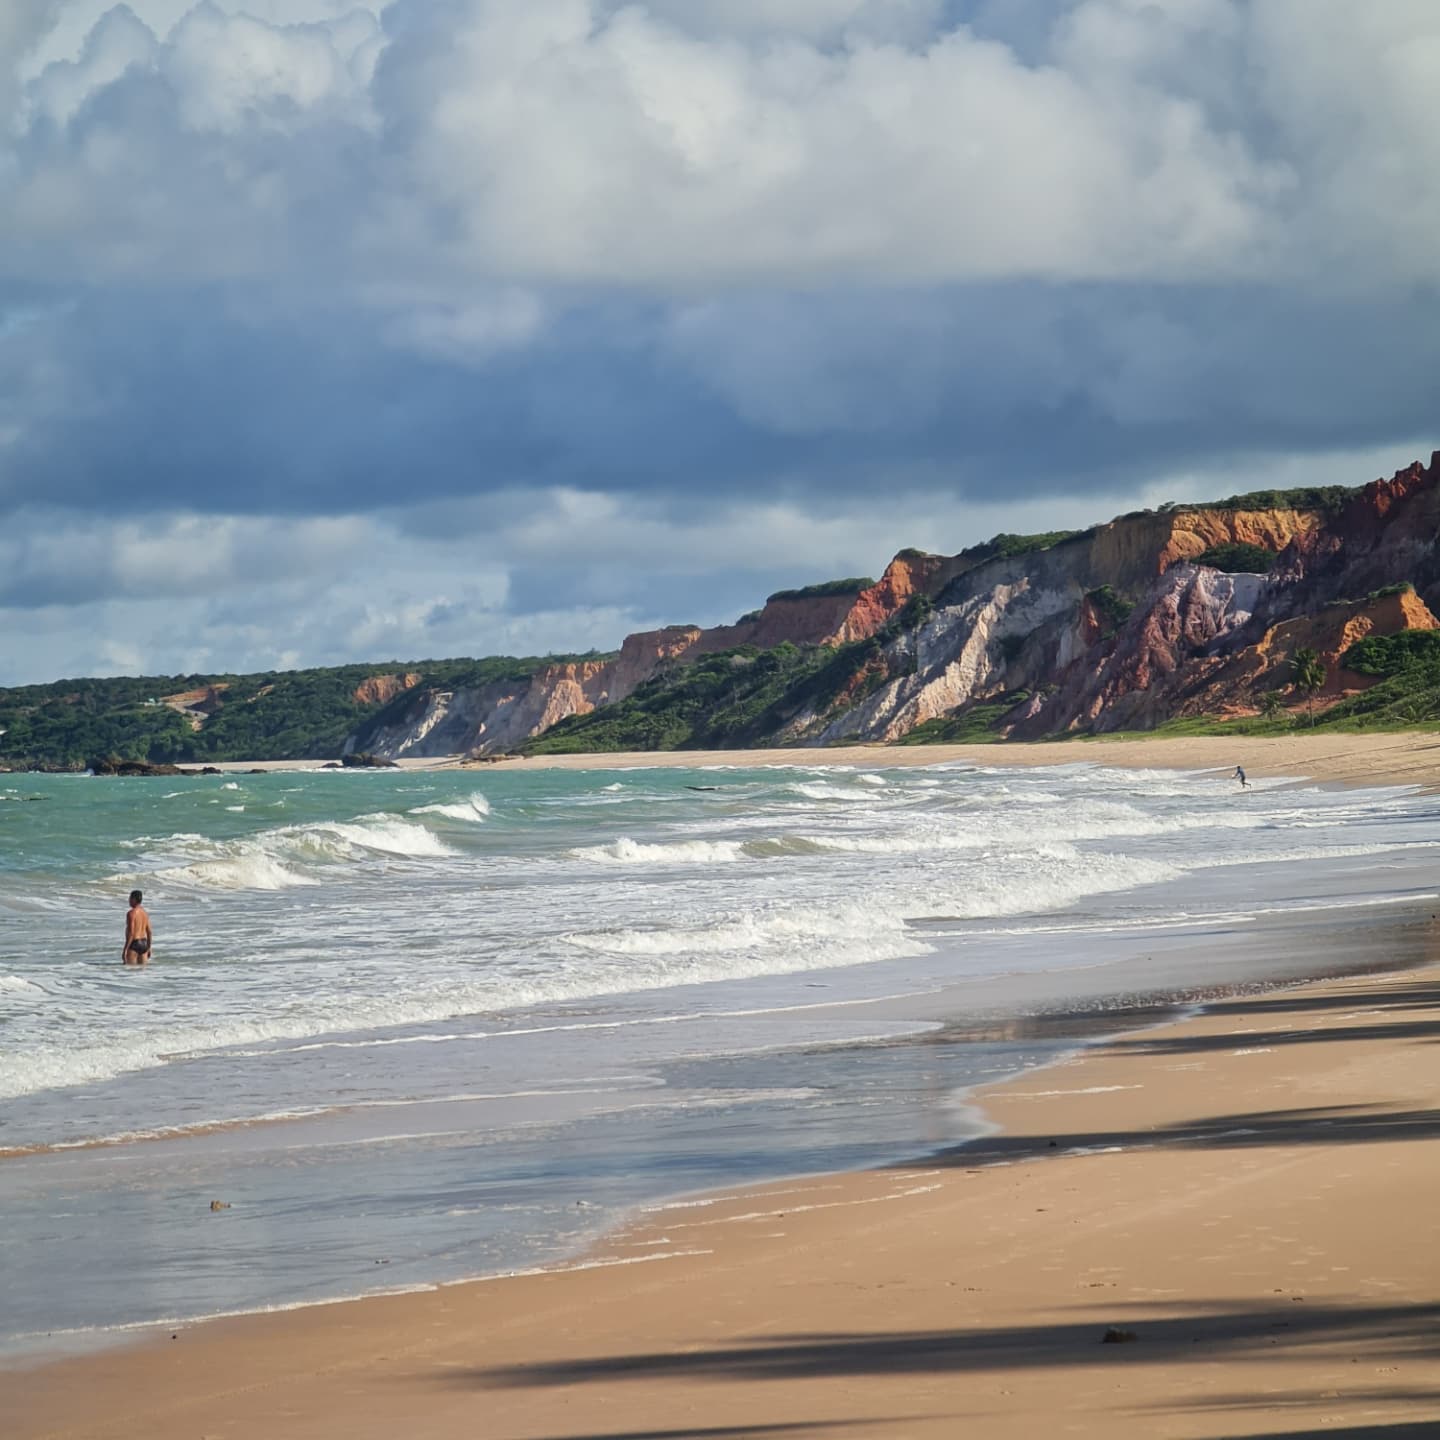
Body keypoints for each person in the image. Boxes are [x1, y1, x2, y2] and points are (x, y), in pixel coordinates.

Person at [123, 890, 153, 966]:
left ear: (134, 899)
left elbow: (131, 933)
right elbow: (149, 932)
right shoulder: (145, 913)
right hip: (144, 944)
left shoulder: (131, 913)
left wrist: (125, 950)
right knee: (142, 973)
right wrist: (149, 947)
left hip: (134, 943)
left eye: (130, 898)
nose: (129, 900)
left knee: (129, 970)